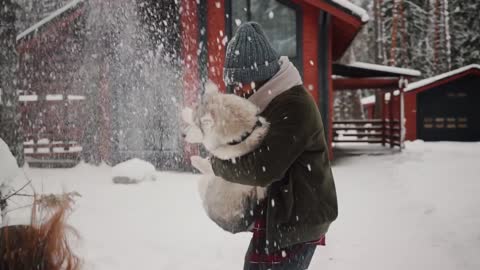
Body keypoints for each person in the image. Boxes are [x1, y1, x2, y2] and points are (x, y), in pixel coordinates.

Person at [210, 22, 338, 270]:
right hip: (282, 213)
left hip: (298, 219)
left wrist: (218, 163)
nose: (237, 91)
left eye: (240, 83)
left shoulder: (293, 106)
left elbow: (264, 167)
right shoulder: (272, 100)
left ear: (257, 77)